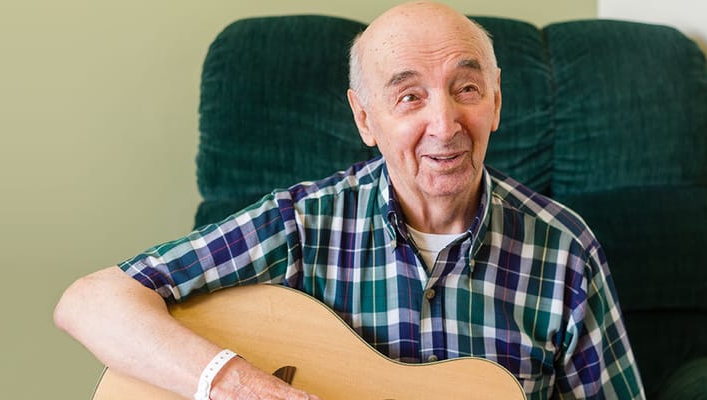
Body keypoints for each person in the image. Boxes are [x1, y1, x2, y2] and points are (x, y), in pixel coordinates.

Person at [53, 2, 645, 399]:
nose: (445, 123)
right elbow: (91, 302)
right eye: (408, 97)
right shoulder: (302, 224)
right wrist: (243, 386)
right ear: (366, 118)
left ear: (495, 102)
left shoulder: (565, 249)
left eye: (465, 89)